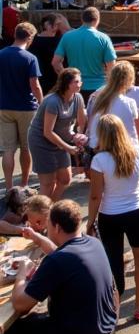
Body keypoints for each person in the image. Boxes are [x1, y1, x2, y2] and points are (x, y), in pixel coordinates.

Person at [3, 199, 116, 334]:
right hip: (105, 325)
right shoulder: (93, 243)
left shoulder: (58, 261)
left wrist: (22, 274)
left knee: (9, 332)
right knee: (33, 321)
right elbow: (59, 255)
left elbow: (20, 305)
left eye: (48, 225)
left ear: (56, 227)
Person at [87, 113, 139, 322]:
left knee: (113, 262)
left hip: (109, 216)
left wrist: (91, 222)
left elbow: (95, 195)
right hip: (136, 212)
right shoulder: (138, 152)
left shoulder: (99, 160)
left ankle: (114, 309)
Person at [27, 66, 86, 201]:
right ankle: (38, 215)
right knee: (48, 183)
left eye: (80, 81)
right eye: (76, 82)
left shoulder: (78, 98)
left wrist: (78, 136)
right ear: (66, 83)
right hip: (41, 141)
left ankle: (50, 208)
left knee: (65, 179)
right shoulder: (53, 101)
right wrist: (68, 147)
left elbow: (81, 122)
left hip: (61, 140)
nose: (79, 84)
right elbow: (48, 132)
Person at [0, 21, 42, 192]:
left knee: (8, 149)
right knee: (26, 147)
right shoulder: (30, 58)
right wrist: (42, 101)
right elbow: (35, 84)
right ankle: (24, 184)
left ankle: (9, 187)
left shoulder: (1, 54)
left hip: (4, 106)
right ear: (30, 38)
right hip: (26, 107)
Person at [85, 60, 139, 150]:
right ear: (130, 79)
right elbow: (134, 131)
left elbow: (91, 128)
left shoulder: (96, 98)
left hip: (99, 149)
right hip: (124, 149)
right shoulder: (130, 103)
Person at [29, 12, 65, 95]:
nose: (58, 27)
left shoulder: (59, 40)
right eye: (56, 24)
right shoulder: (34, 41)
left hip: (54, 79)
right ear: (47, 25)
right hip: (41, 78)